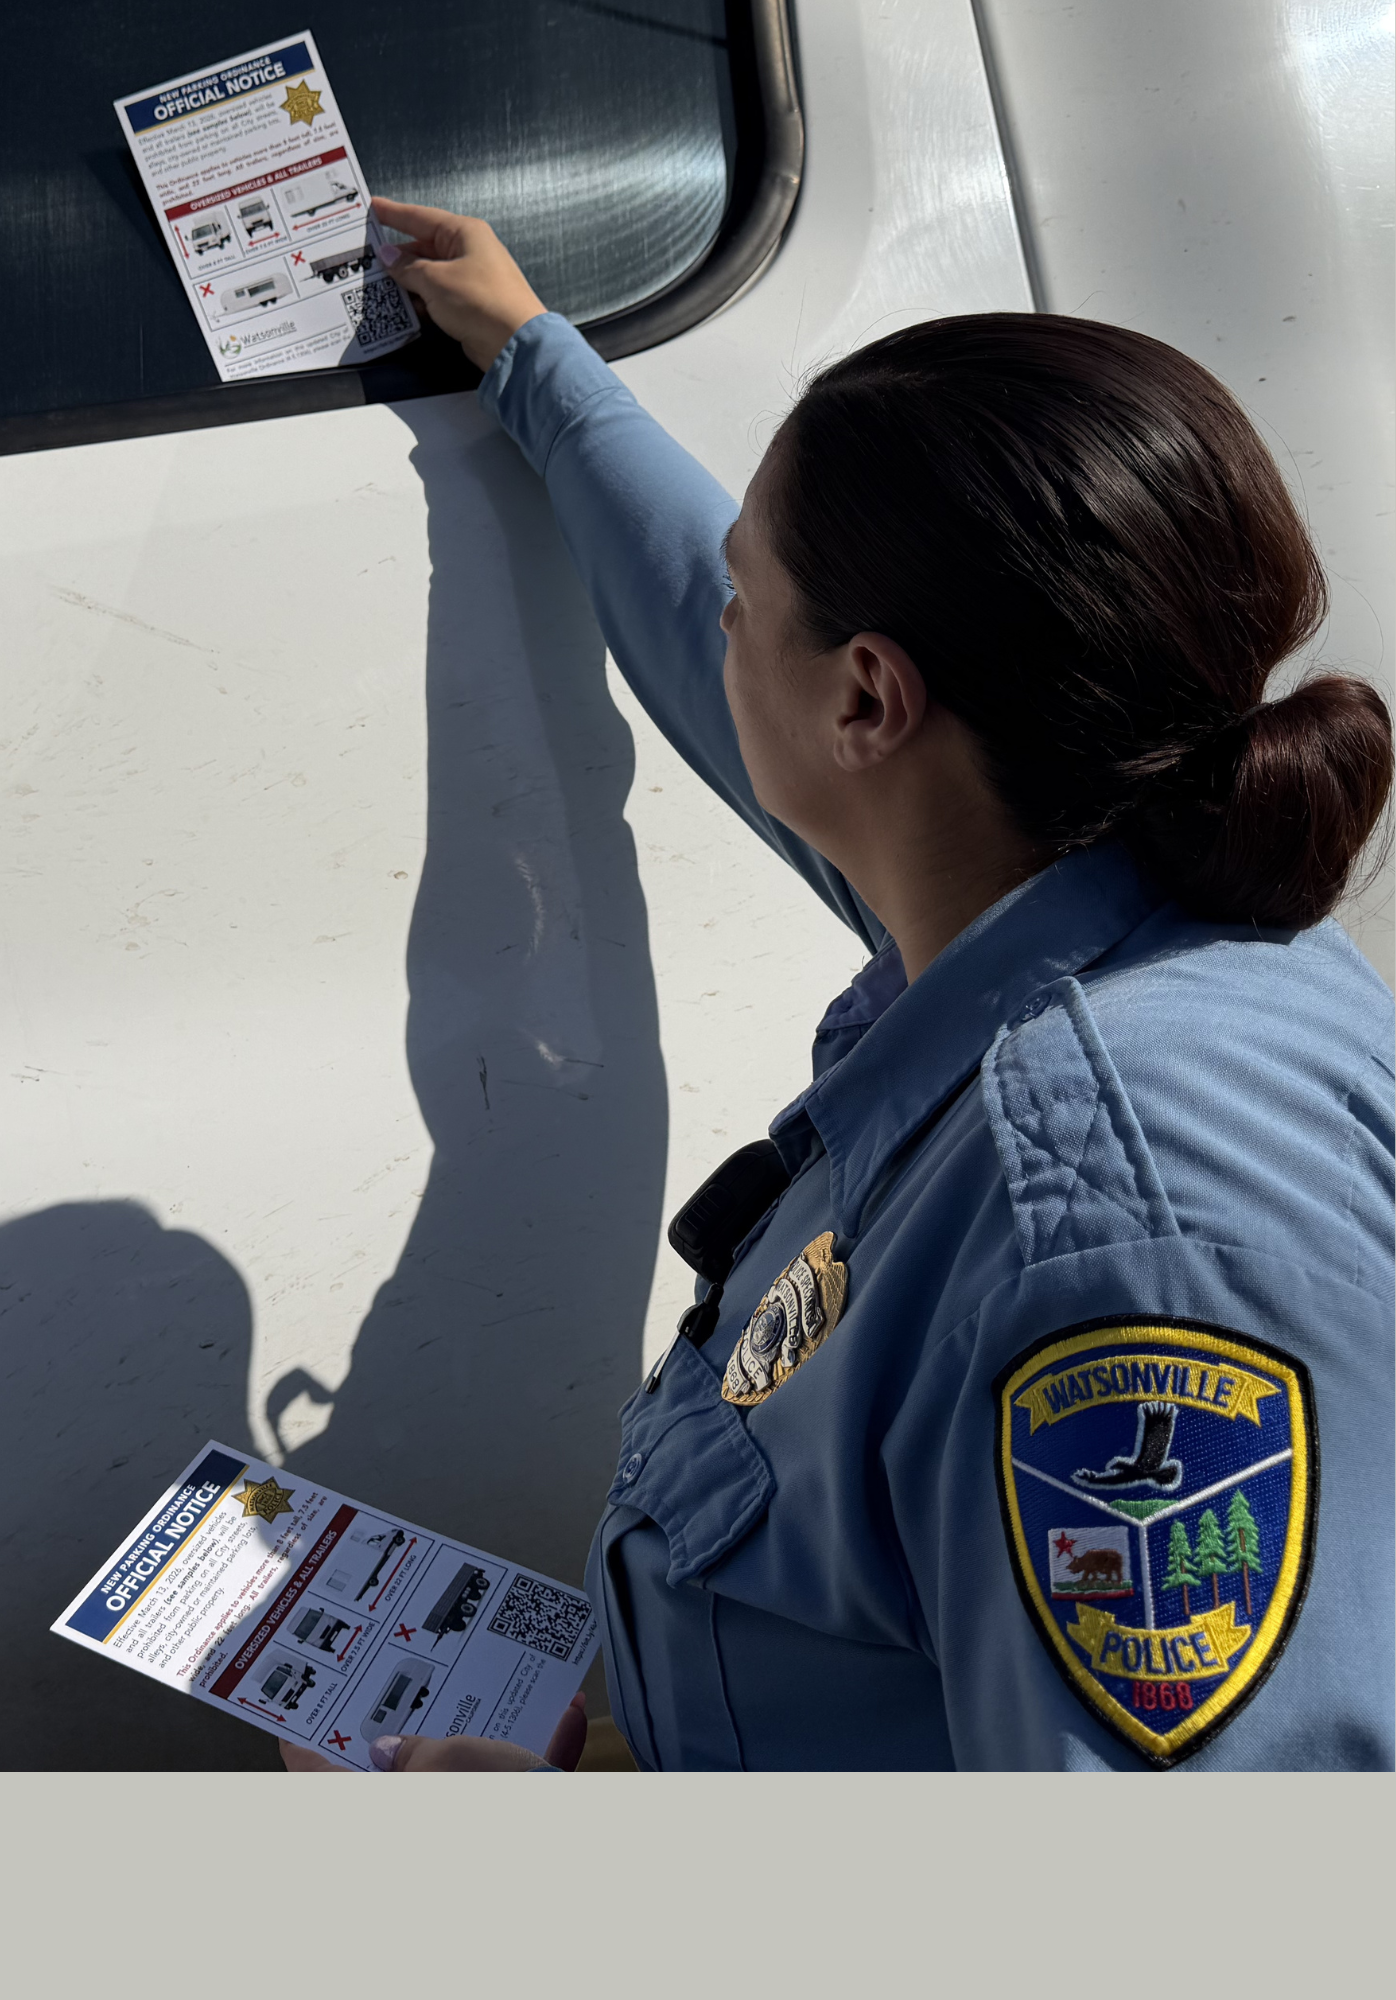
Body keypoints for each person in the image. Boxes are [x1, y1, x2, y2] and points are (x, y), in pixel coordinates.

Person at [285, 200, 1394, 1772]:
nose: (723, 620)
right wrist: (533, 361)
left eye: (757, 593)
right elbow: (694, 613)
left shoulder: (1105, 1241)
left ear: (870, 698)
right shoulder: (1097, 879)